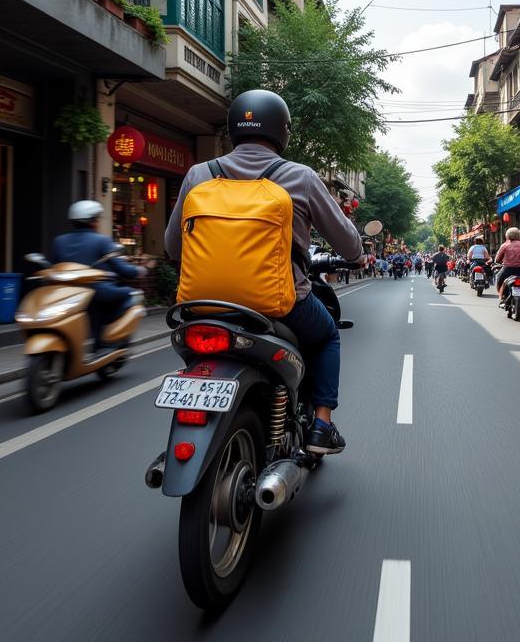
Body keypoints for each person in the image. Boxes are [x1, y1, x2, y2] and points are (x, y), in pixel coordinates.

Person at [165, 89, 363, 455]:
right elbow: (351, 245)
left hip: (202, 305)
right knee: (327, 337)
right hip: (281, 304)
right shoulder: (300, 177)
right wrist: (357, 254)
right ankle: (322, 425)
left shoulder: (198, 175)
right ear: (282, 131)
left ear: (233, 128)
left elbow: (172, 247)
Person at [53, 201, 146, 349]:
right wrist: (139, 271)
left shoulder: (59, 241)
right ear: (93, 221)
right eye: (97, 219)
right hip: (95, 291)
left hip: (65, 294)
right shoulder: (101, 240)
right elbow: (123, 269)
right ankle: (109, 336)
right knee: (133, 294)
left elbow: (54, 267)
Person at [494, 227, 520, 301]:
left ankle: (501, 296)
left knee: (498, 278)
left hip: (508, 270)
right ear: (519, 235)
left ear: (507, 236)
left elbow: (497, 259)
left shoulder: (504, 245)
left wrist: (498, 262)